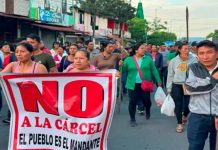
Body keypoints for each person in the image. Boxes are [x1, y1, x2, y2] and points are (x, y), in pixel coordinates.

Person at [1, 42, 48, 123]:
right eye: (17, 52)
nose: (19, 54)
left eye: (22, 52)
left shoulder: (39, 67)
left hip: (36, 104)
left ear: (31, 53)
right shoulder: (12, 65)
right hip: (17, 102)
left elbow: (47, 86)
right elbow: (1, 77)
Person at [185, 40, 218, 150]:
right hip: (198, 117)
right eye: (201, 53)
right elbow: (191, 88)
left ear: (217, 53)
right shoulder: (193, 68)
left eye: (209, 52)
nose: (205, 56)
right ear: (197, 55)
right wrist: (213, 80)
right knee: (195, 147)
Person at [122, 43, 162, 127]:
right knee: (132, 101)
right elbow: (124, 70)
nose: (144, 50)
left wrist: (159, 81)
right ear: (136, 50)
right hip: (132, 84)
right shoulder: (128, 59)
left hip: (145, 84)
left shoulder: (148, 59)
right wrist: (121, 65)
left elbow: (154, 70)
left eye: (145, 48)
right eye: (142, 48)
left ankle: (147, 110)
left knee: (146, 101)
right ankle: (132, 119)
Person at [166, 41, 197, 133]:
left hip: (189, 85)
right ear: (179, 49)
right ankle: (179, 123)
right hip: (177, 85)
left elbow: (197, 73)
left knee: (188, 105)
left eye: (188, 48)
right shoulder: (173, 61)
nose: (187, 51)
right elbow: (170, 75)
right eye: (185, 49)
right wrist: (169, 88)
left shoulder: (194, 59)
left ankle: (185, 116)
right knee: (178, 105)